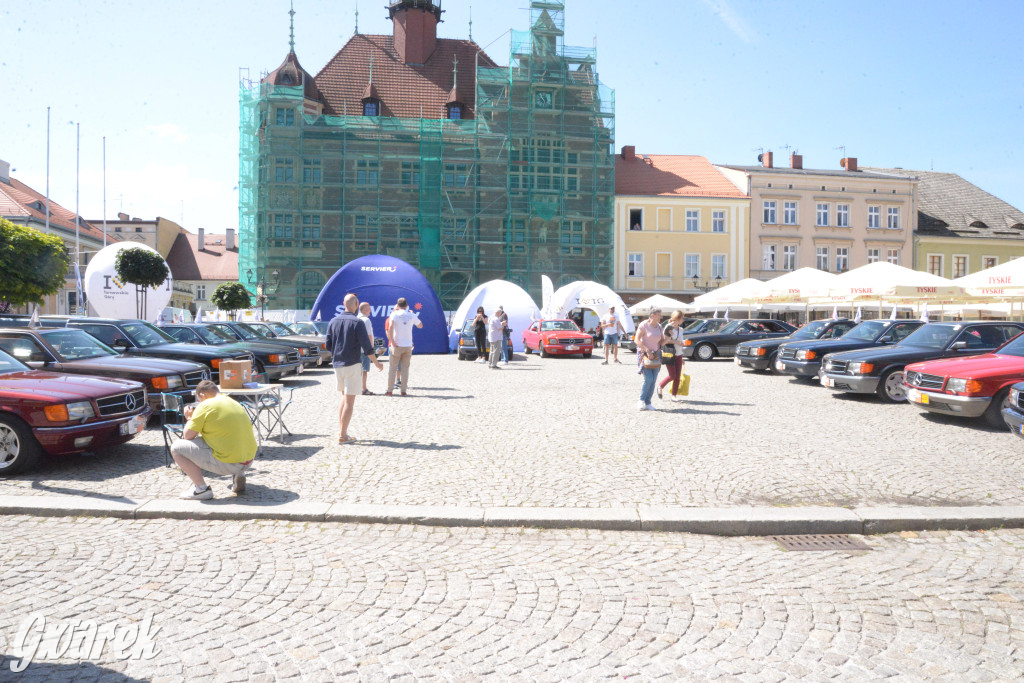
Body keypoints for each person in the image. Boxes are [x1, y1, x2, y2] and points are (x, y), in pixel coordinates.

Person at [171, 380, 258, 500]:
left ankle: (201, 489)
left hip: (229, 463)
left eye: (199, 399)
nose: (199, 403)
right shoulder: (233, 402)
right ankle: (239, 473)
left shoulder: (205, 405)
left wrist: (190, 418)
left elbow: (187, 436)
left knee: (177, 448)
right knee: (223, 435)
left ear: (202, 395)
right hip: (249, 460)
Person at [326, 293, 383, 444]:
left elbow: (328, 345)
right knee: (349, 401)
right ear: (356, 305)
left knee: (344, 398)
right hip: (352, 363)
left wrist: (337, 354)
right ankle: (343, 435)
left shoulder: (333, 321)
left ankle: (341, 431)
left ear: (343, 304)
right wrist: (376, 363)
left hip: (338, 364)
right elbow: (367, 346)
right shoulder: (358, 323)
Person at [386, 297, 423, 396]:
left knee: (392, 368)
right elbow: (420, 326)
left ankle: (389, 390)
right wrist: (412, 315)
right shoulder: (411, 315)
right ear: (406, 305)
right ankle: (403, 391)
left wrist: (392, 341)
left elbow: (390, 328)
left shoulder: (394, 314)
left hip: (397, 345)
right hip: (407, 345)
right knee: (405, 369)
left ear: (397, 306)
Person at [634, 308, 667, 411]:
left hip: (656, 355)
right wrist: (647, 350)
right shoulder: (644, 325)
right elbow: (636, 340)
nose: (660, 317)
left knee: (653, 380)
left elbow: (661, 342)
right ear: (652, 315)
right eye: (659, 315)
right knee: (648, 378)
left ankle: (648, 402)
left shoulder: (659, 327)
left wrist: (669, 337)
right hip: (645, 354)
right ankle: (641, 400)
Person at [658, 310, 687, 401]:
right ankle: (660, 386)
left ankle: (674, 395)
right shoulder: (668, 327)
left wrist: (682, 355)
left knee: (677, 377)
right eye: (682, 317)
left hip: (679, 354)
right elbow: (665, 340)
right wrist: (677, 342)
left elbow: (680, 343)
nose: (683, 319)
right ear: (677, 318)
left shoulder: (681, 329)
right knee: (672, 375)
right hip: (670, 353)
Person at [358, 301, 377, 396]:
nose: (370, 310)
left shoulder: (356, 319)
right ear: (365, 309)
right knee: (364, 370)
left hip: (356, 349)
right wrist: (371, 348)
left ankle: (356, 387)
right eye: (369, 308)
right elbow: (369, 336)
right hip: (365, 349)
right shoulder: (366, 320)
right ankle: (363, 388)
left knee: (357, 370)